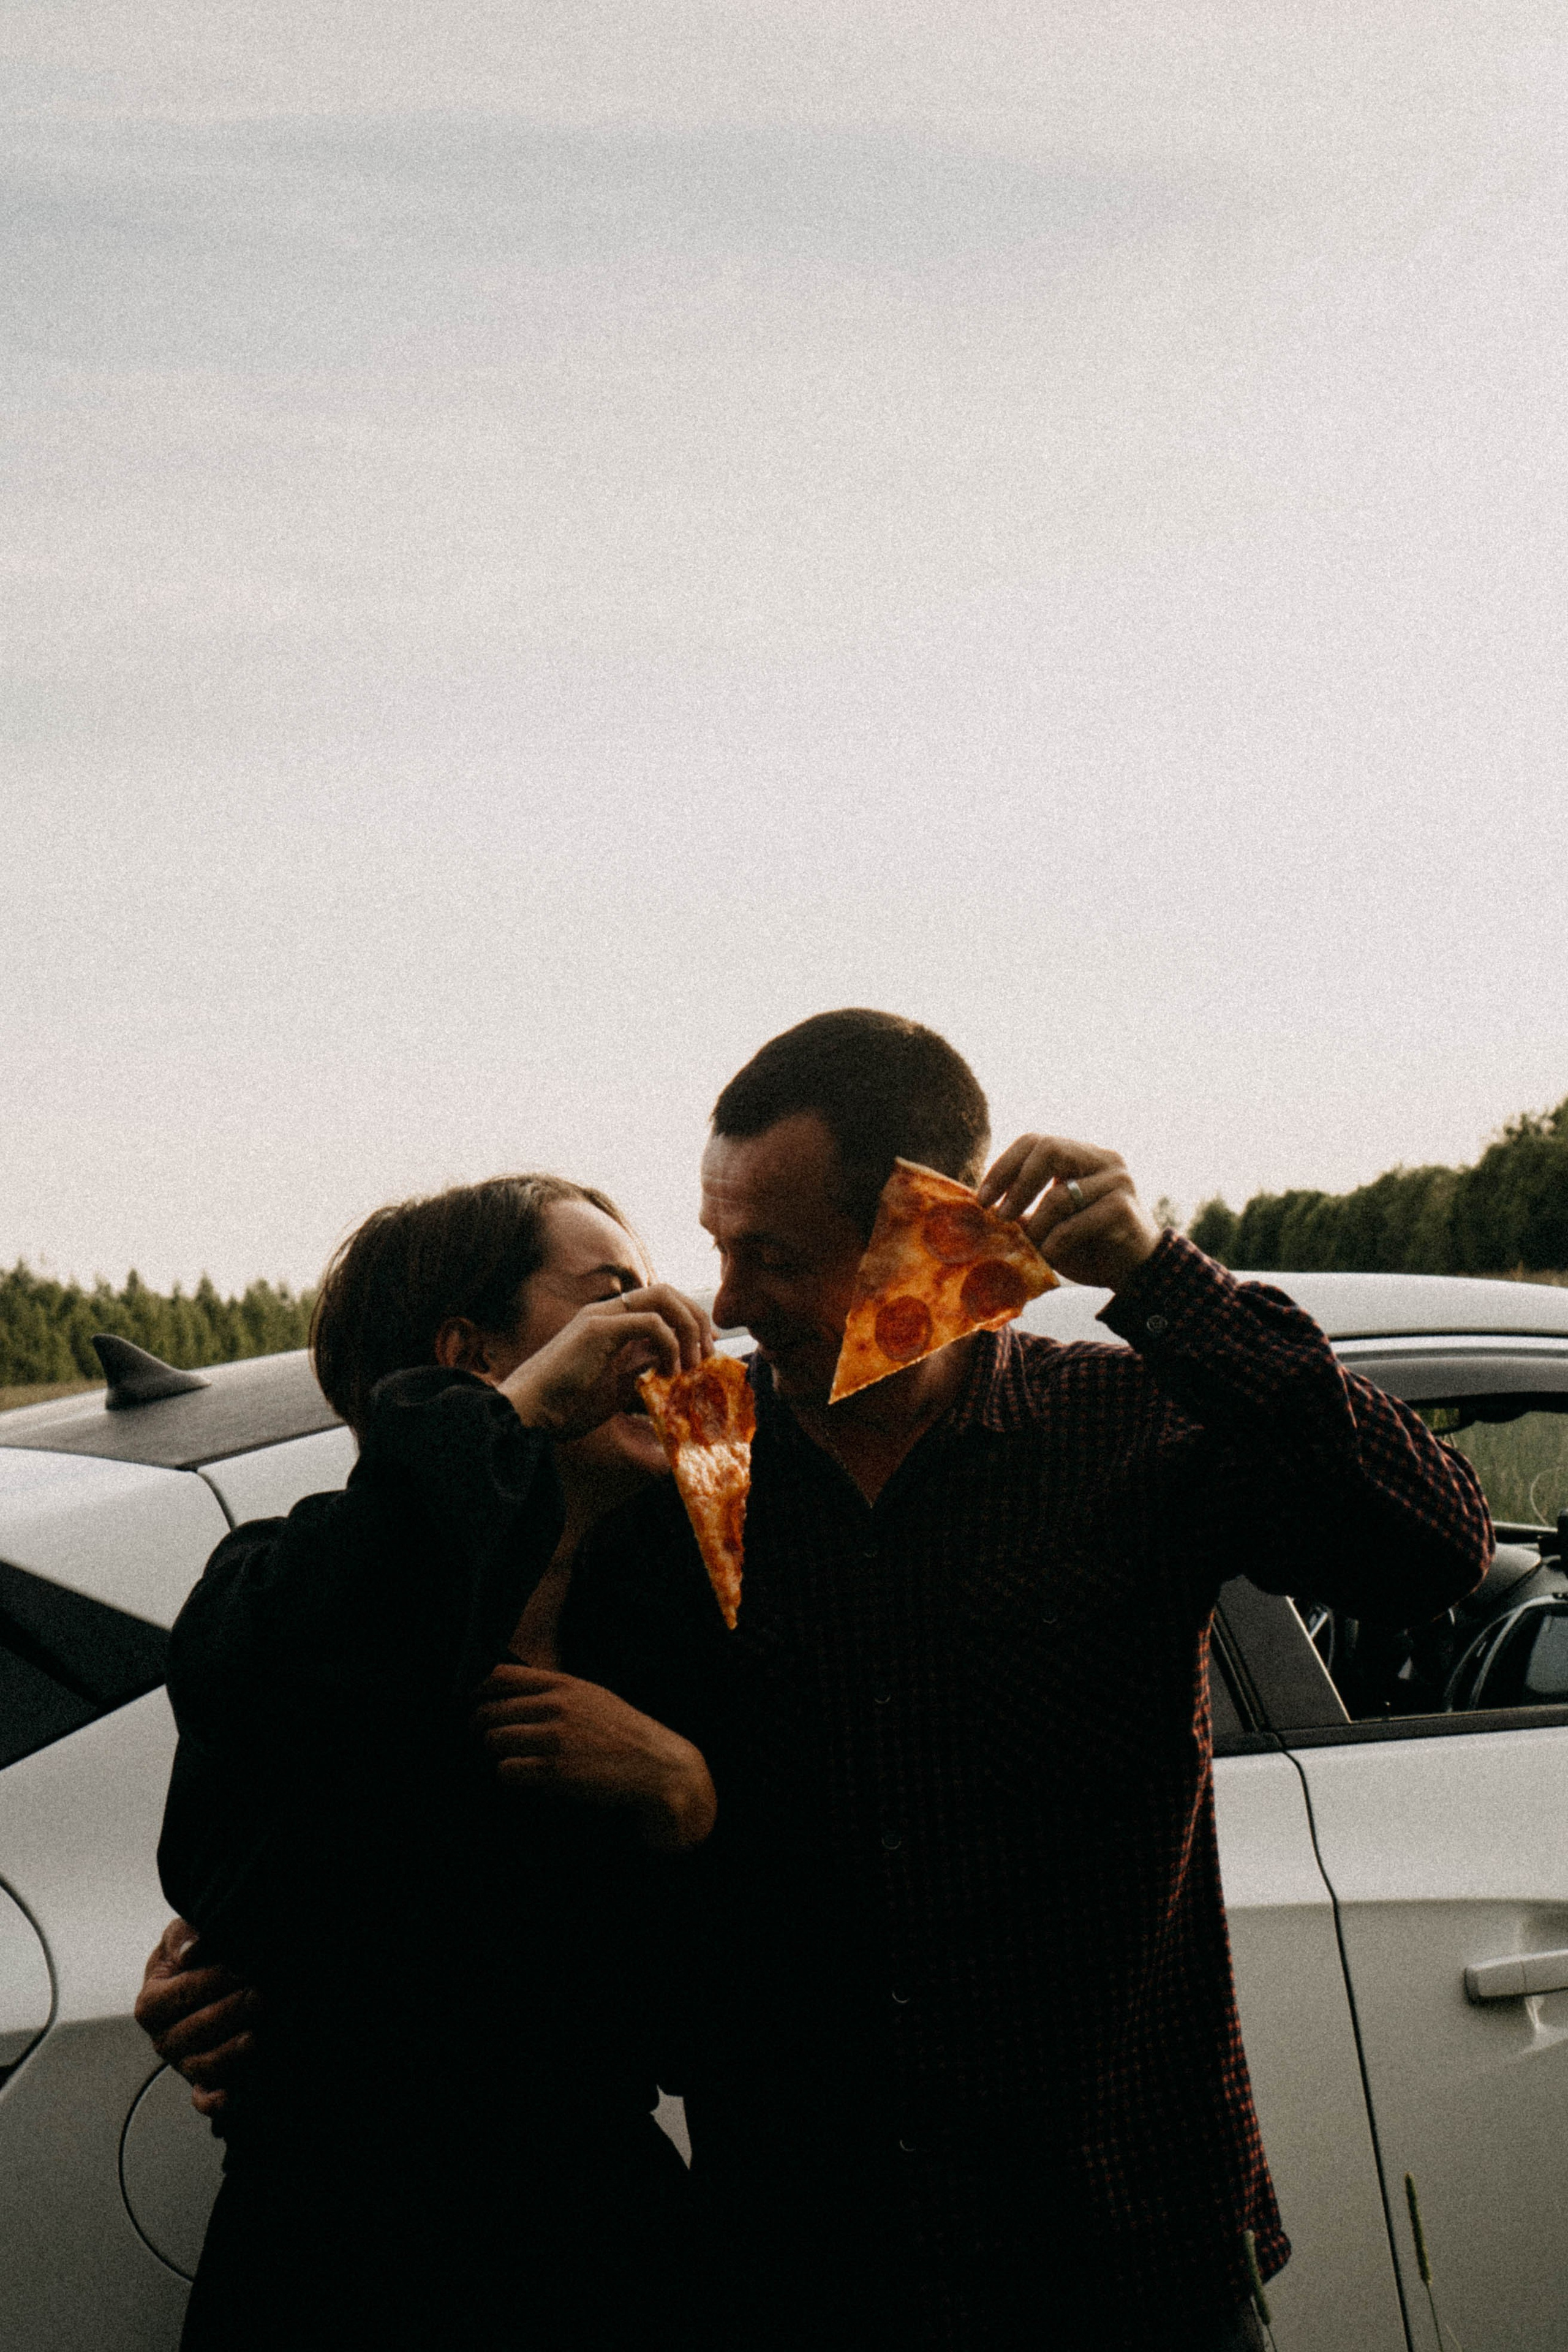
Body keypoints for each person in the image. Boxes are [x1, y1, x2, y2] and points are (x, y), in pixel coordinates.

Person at [148, 1011, 1492, 2351]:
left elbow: (1429, 1547)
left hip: (1115, 2241)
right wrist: (244, 1940)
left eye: (770, 1257)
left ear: (923, 1232)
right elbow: (394, 1692)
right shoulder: (693, 1469)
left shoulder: (1123, 1430)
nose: (720, 1303)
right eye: (713, 1246)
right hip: (805, 2265)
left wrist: (1154, 1273)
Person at [152, 1172, 721, 2351]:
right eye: (612, 1295)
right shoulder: (281, 1594)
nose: (665, 1325)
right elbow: (314, 1662)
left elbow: (764, 2000)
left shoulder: (678, 1632)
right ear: (471, 1362)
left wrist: (690, 1799)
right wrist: (505, 1423)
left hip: (606, 2269)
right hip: (341, 2279)